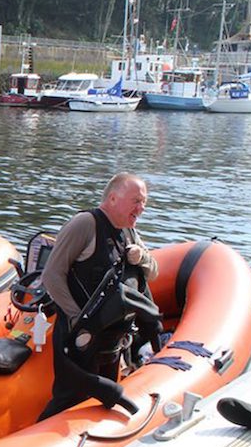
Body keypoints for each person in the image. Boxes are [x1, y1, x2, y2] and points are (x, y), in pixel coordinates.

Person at [38, 172, 160, 421]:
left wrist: (143, 257)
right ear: (113, 198)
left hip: (112, 341)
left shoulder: (130, 233)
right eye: (136, 201)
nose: (142, 207)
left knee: (102, 403)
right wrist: (76, 318)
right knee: (68, 400)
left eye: (144, 202)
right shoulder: (85, 224)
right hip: (80, 338)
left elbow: (154, 272)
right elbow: (52, 275)